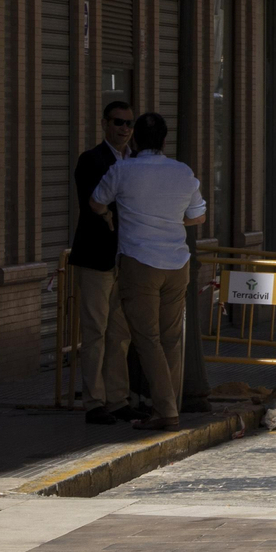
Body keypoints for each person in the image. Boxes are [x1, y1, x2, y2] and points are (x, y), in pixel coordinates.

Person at [89, 113, 207, 431]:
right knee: (169, 340)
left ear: (135, 140)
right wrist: (171, 220)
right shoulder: (182, 172)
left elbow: (97, 204)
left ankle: (166, 413)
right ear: (165, 141)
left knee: (147, 340)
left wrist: (118, 215)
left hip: (139, 263)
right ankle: (168, 407)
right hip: (177, 264)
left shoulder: (123, 170)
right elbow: (198, 217)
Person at [71, 101, 138, 425]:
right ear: (104, 124)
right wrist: (110, 217)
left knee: (119, 332)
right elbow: (92, 204)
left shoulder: (137, 162)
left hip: (125, 259)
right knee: (95, 330)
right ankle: (94, 402)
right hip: (96, 258)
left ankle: (117, 399)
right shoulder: (91, 160)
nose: (123, 129)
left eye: (128, 123)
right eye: (117, 122)